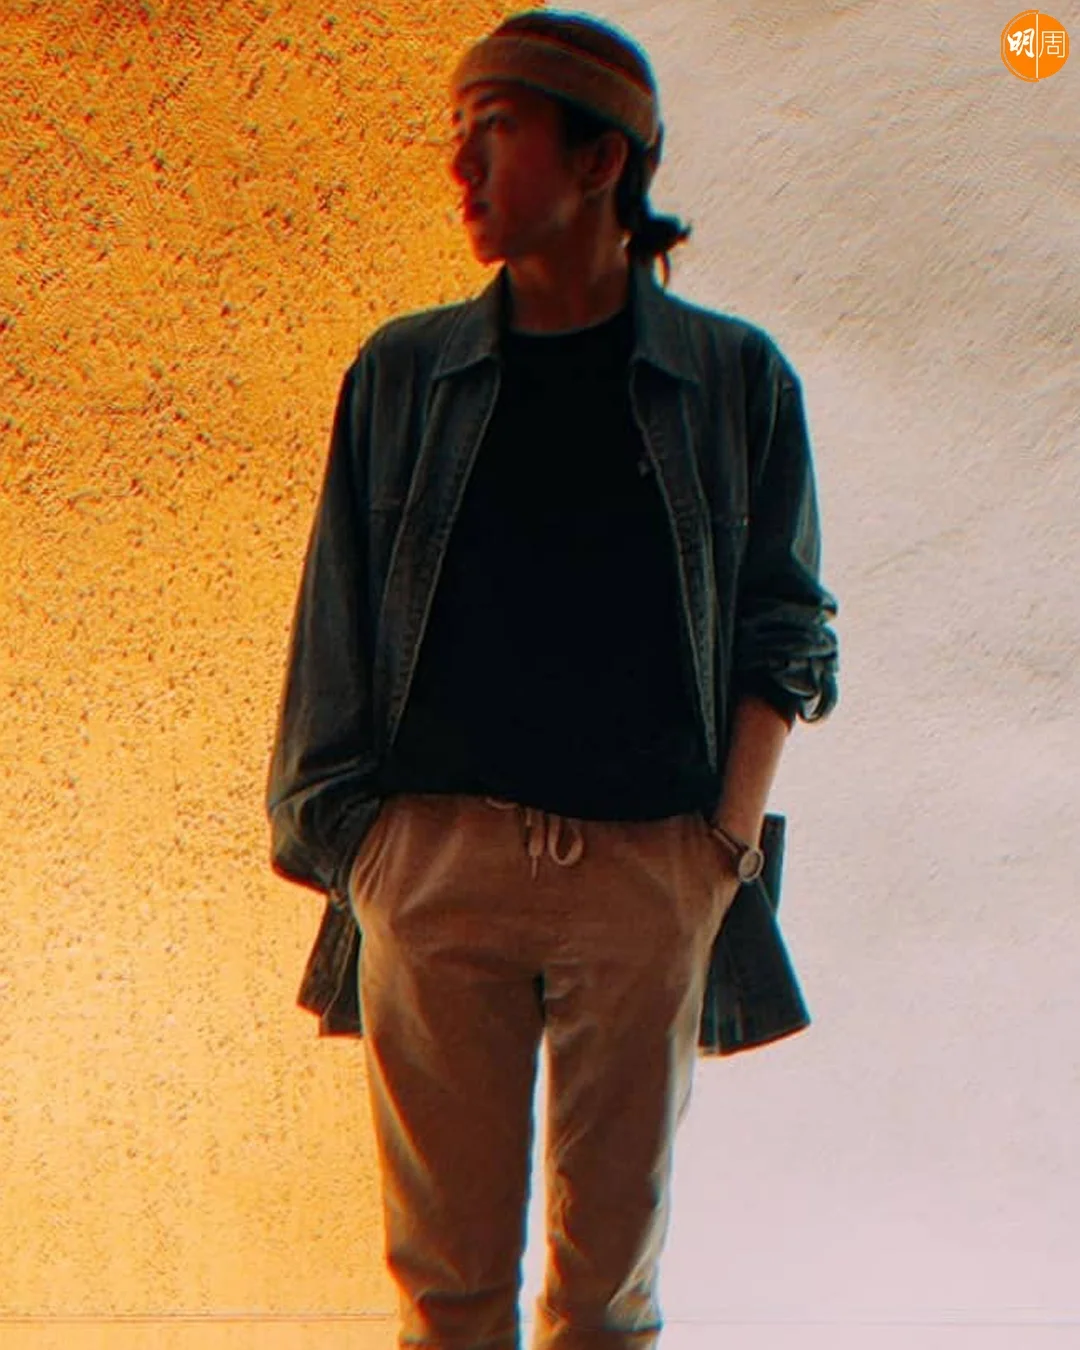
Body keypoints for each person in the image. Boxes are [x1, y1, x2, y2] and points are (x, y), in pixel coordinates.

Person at [265, 10, 839, 1349]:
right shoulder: (405, 374)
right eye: (456, 135)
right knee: (446, 1295)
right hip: (437, 866)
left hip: (647, 873)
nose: (460, 166)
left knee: (606, 1298)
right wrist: (361, 849)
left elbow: (788, 624)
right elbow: (335, 611)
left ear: (601, 160)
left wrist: (720, 849)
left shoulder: (735, 377)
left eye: (496, 131)